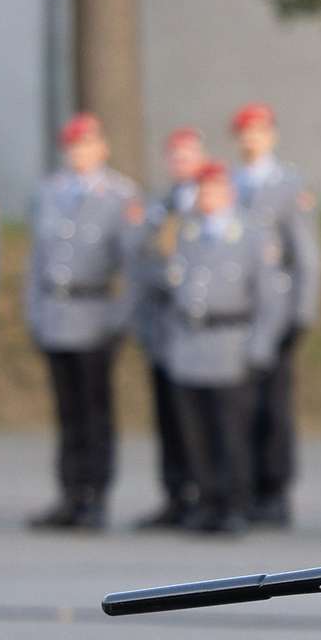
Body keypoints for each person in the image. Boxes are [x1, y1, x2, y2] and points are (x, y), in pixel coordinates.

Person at [151, 162, 291, 536]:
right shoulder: (188, 232)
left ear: (229, 192)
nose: (207, 197)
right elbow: (168, 291)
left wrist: (259, 347)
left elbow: (270, 299)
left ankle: (234, 504)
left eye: (214, 189)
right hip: (189, 344)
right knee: (195, 432)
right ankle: (207, 500)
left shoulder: (251, 235)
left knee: (231, 432)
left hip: (231, 341)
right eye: (202, 190)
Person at [25, 113, 145, 531]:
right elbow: (37, 262)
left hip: (95, 315)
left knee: (95, 413)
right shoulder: (51, 192)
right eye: (73, 145)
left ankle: (95, 495)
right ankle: (69, 493)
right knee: (67, 411)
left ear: (102, 148)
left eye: (87, 144)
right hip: (57, 314)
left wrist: (119, 321)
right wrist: (34, 314)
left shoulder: (120, 196)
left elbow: (132, 269)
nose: (80, 152)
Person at [230, 102, 321, 527]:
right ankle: (243, 485)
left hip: (276, 307)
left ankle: (275, 489)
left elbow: (306, 255)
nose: (252, 139)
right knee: (241, 404)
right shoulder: (229, 182)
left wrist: (301, 313)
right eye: (245, 132)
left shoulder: (288, 186)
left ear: (271, 136)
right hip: (239, 308)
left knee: (274, 404)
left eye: (259, 131)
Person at [130, 126, 211, 529]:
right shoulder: (161, 205)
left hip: (202, 330)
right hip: (164, 327)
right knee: (169, 418)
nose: (181, 162)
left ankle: (209, 495)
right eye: (175, 156)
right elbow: (145, 261)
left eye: (188, 155)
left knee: (203, 420)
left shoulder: (214, 202)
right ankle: (176, 494)